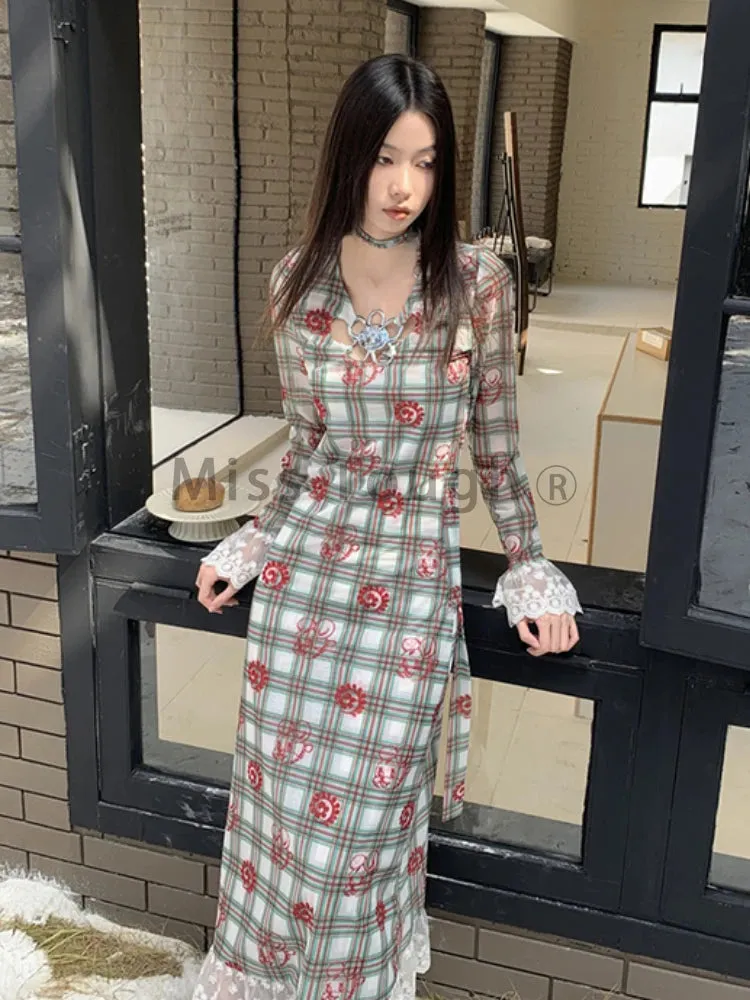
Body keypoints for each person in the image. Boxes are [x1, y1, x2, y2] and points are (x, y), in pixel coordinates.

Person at [191, 53, 581, 1000]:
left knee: (360, 841)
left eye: (427, 162)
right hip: (303, 597)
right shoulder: (298, 283)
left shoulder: (476, 284)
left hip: (406, 597)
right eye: (385, 158)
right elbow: (306, 448)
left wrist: (529, 565)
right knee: (281, 825)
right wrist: (256, 538)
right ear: (350, 156)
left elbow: (497, 449)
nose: (405, 185)